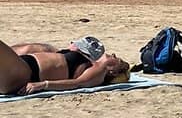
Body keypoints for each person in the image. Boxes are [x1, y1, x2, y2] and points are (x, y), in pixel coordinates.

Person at [0, 36, 130, 96]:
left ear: (113, 72)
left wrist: (43, 85)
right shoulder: (90, 61)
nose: (114, 55)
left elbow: (77, 83)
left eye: (118, 59)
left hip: (23, 74)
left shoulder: (99, 72)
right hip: (21, 66)